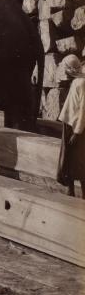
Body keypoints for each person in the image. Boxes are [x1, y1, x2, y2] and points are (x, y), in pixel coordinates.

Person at [57, 54, 85, 198]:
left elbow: (83, 109)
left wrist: (77, 132)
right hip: (69, 124)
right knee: (67, 159)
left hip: (74, 128)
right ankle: (70, 189)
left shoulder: (81, 83)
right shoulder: (77, 81)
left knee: (77, 161)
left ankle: (77, 191)